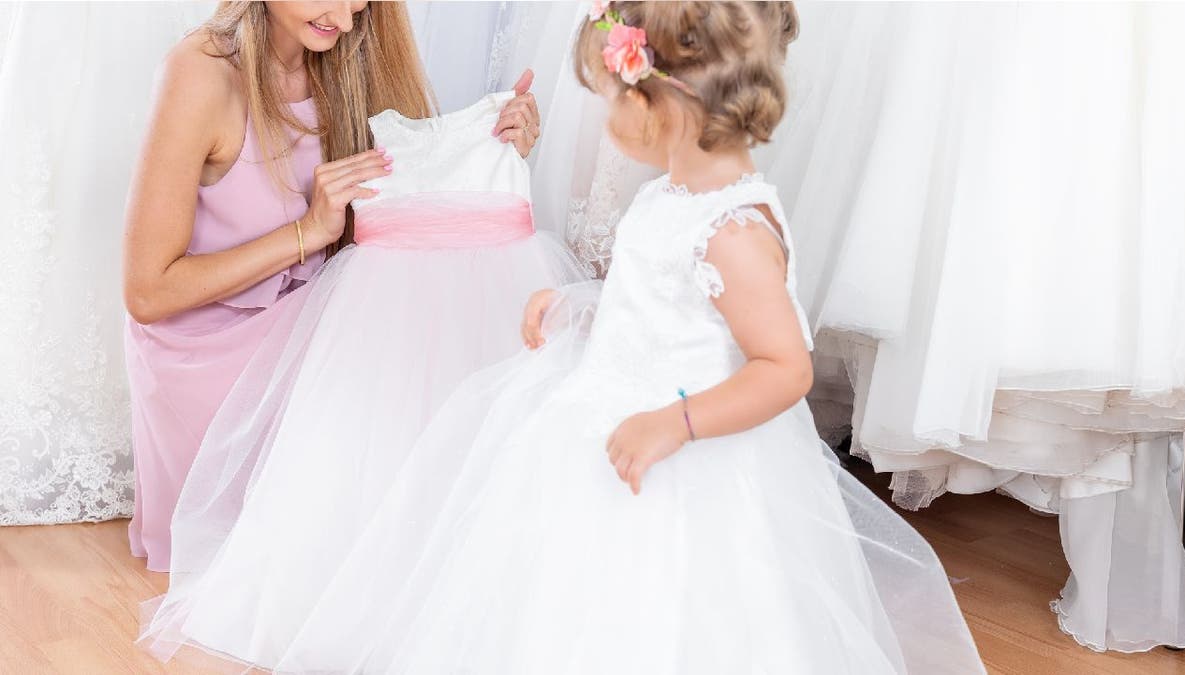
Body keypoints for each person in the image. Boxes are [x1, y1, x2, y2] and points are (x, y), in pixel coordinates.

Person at [142, 3, 984, 672]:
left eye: (612, 98)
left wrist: (676, 421)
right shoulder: (667, 202)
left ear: (665, 105)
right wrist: (580, 308)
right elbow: (657, 306)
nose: (602, 117)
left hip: (690, 453)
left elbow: (785, 366)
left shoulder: (732, 230)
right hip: (619, 427)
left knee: (694, 605)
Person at [121, 0, 541, 571]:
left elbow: (400, 203)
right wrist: (307, 232)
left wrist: (492, 145)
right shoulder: (200, 73)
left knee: (441, 355)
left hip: (310, 317)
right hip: (205, 350)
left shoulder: (344, 51)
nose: (346, 19)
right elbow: (148, 292)